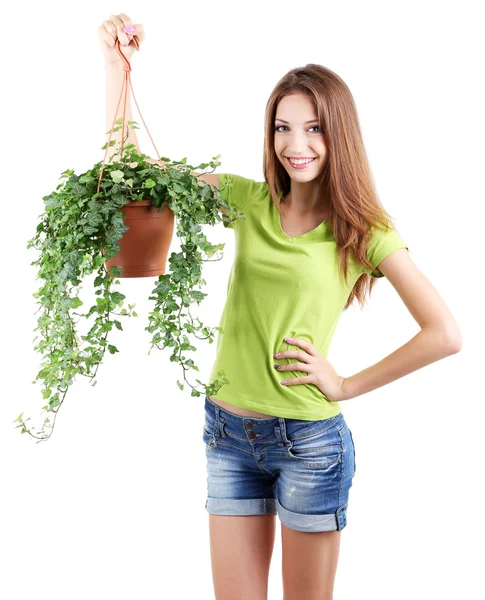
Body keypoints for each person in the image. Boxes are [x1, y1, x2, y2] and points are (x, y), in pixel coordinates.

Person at [100, 14, 463, 600]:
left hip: (310, 447)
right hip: (226, 433)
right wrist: (117, 69)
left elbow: (444, 333)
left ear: (338, 135)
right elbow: (137, 182)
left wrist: (343, 384)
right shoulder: (249, 200)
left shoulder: (363, 230)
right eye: (283, 127)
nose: (296, 145)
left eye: (315, 128)